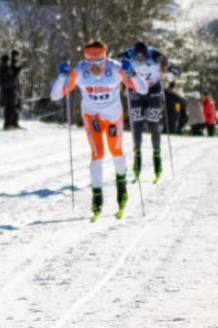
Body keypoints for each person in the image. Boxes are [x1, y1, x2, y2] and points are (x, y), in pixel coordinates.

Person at [51, 39, 146, 221]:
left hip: (113, 117)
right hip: (92, 117)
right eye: (90, 62)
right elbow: (55, 95)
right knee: (97, 154)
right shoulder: (80, 72)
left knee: (116, 151)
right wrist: (62, 77)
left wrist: (132, 73)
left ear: (105, 58)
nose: (95, 67)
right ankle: (97, 200)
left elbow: (143, 89)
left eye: (98, 62)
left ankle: (122, 191)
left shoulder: (116, 69)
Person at [122, 40, 177, 183]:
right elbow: (115, 63)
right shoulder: (128, 54)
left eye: (144, 58)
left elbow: (167, 63)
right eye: (138, 59)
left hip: (153, 90)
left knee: (153, 124)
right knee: (137, 125)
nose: (141, 61)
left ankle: (157, 159)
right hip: (136, 90)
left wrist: (170, 67)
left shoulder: (154, 54)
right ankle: (137, 159)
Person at [8, 50, 24, 128]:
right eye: (19, 55)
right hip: (14, 88)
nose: (19, 57)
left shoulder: (14, 64)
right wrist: (19, 69)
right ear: (15, 56)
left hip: (16, 87)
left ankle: (14, 122)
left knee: (17, 105)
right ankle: (14, 123)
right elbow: (13, 76)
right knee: (16, 106)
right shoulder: (12, 64)